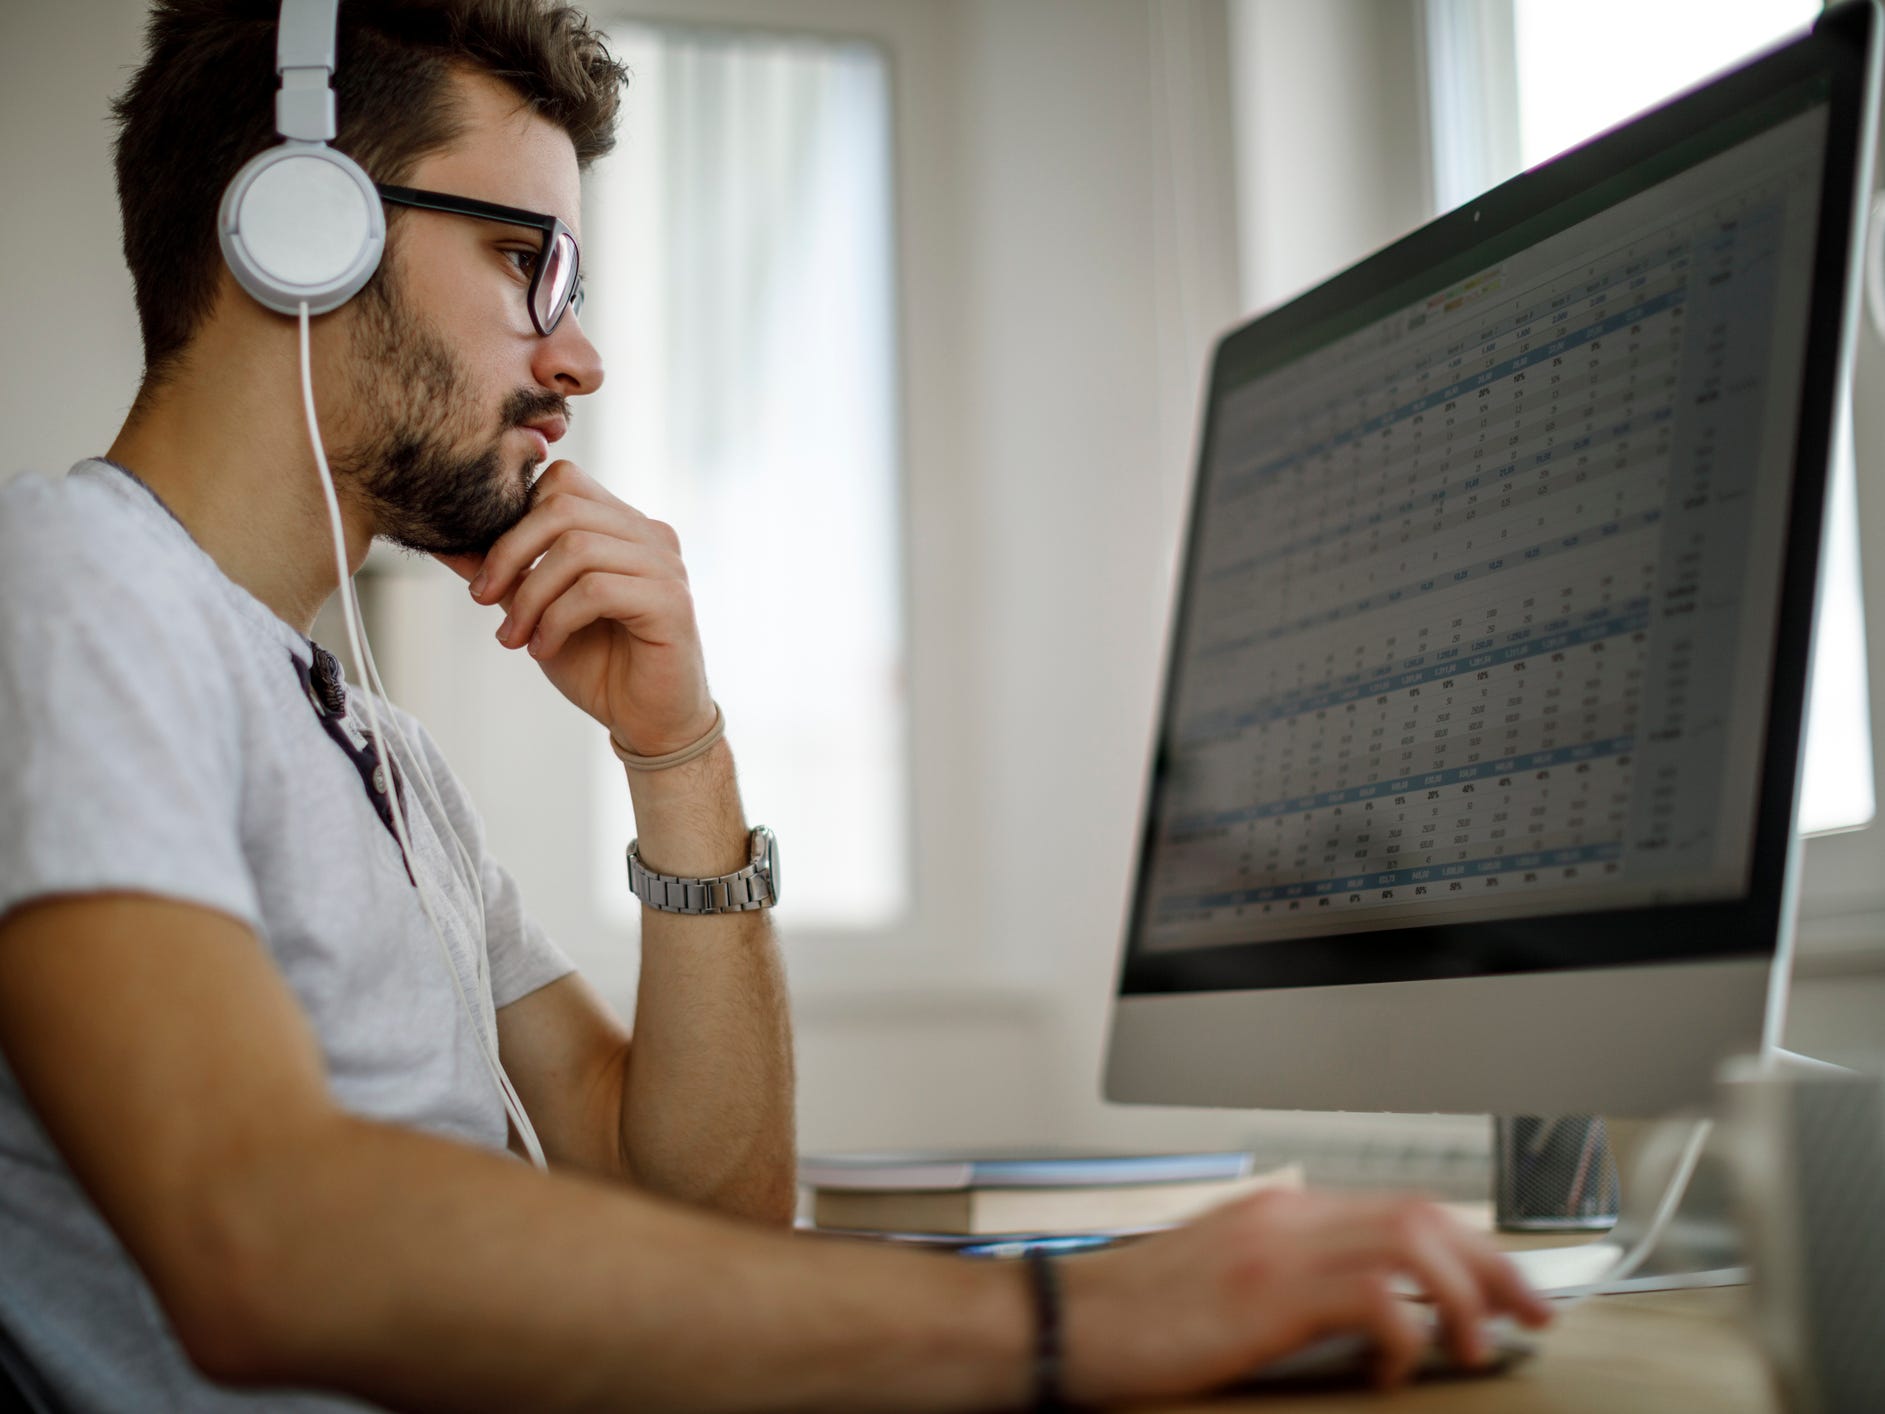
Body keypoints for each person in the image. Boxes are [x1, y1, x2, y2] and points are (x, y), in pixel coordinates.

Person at [0, 2, 1553, 1409]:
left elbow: (705, 1206)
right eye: (520, 257)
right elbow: (261, 1238)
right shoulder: (64, 582)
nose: (579, 354)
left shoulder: (377, 744)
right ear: (298, 230)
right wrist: (1071, 1322)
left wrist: (679, 750)